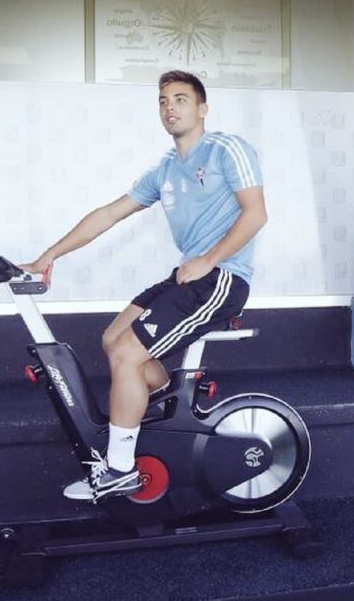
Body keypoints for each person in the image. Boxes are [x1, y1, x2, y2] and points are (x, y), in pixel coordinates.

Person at [21, 70, 266, 501]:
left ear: (202, 108)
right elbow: (109, 213)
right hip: (188, 275)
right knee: (114, 340)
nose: (169, 107)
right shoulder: (166, 169)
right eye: (163, 101)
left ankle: (120, 469)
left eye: (180, 99)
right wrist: (49, 255)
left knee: (129, 355)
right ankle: (171, 416)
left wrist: (209, 258)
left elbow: (255, 214)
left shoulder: (226, 148)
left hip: (222, 277)